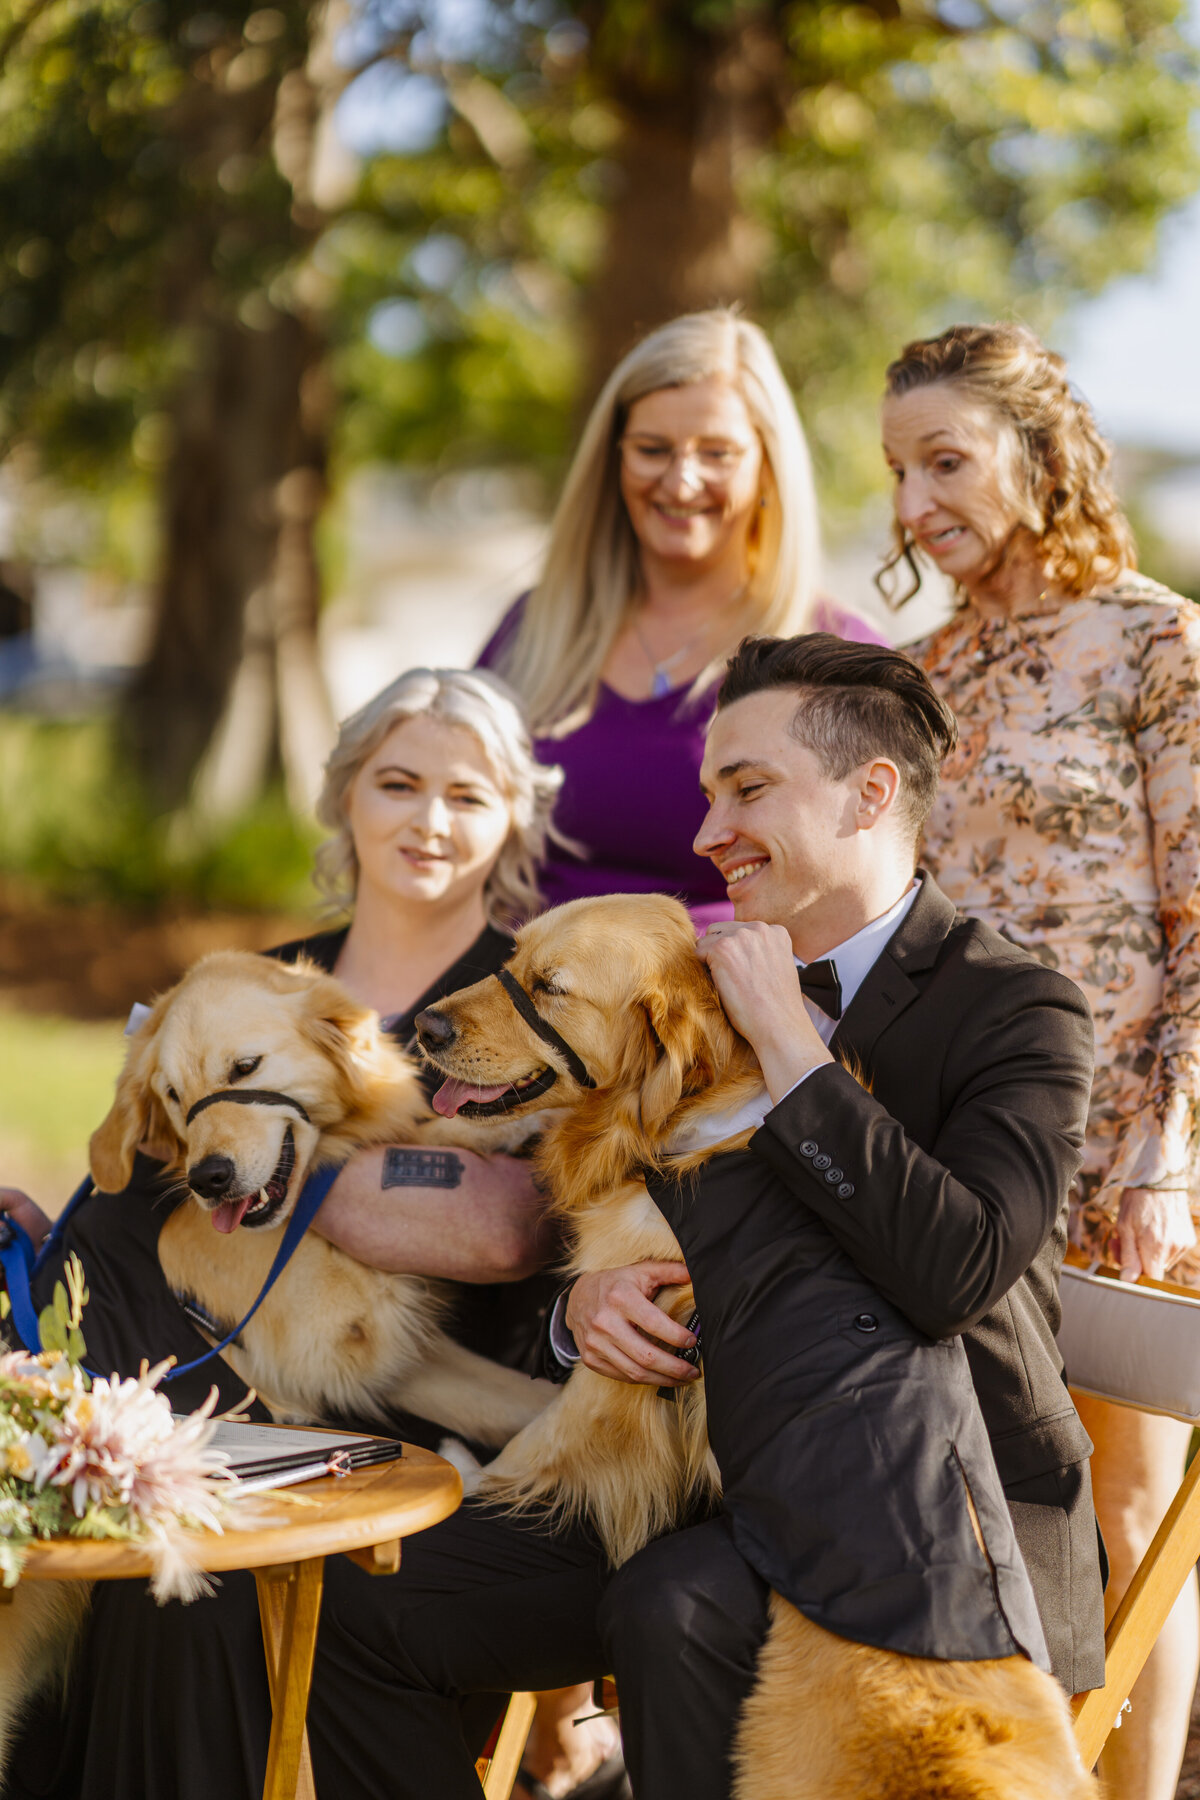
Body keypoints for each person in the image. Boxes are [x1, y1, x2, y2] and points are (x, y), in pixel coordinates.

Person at [295, 633, 1104, 1800]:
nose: (705, 831)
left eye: (749, 789)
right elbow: (609, 1213)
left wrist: (788, 1045)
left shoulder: (1016, 1007)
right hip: (686, 1476)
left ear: (871, 793)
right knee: (361, 1603)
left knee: (673, 1607)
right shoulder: (671, 973)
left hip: (936, 1517)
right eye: (710, 790)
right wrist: (582, 1312)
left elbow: (959, 1270)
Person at [0, 668, 618, 1800]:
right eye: (397, 783)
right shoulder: (268, 973)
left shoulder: (523, 994)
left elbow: (500, 1229)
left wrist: (255, 1160)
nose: (429, 820)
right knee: (101, 1541)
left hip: (389, 1406)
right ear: (346, 801)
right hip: (170, 1355)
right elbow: (137, 1166)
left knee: (195, 1579)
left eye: (468, 795)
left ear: (515, 818)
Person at [883, 320, 1200, 1800]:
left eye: (944, 460)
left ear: (1037, 454)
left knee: (1131, 1504)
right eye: (895, 471)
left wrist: (1169, 1152)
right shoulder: (914, 679)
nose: (911, 505)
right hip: (959, 1157)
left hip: (1131, 1143)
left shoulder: (1157, 638)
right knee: (994, 1500)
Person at [478, 307, 887, 926]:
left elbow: (868, 894)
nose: (681, 479)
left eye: (717, 452)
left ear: (766, 469)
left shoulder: (836, 654)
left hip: (717, 1010)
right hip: (517, 993)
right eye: (652, 449)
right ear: (613, 461)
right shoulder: (533, 627)